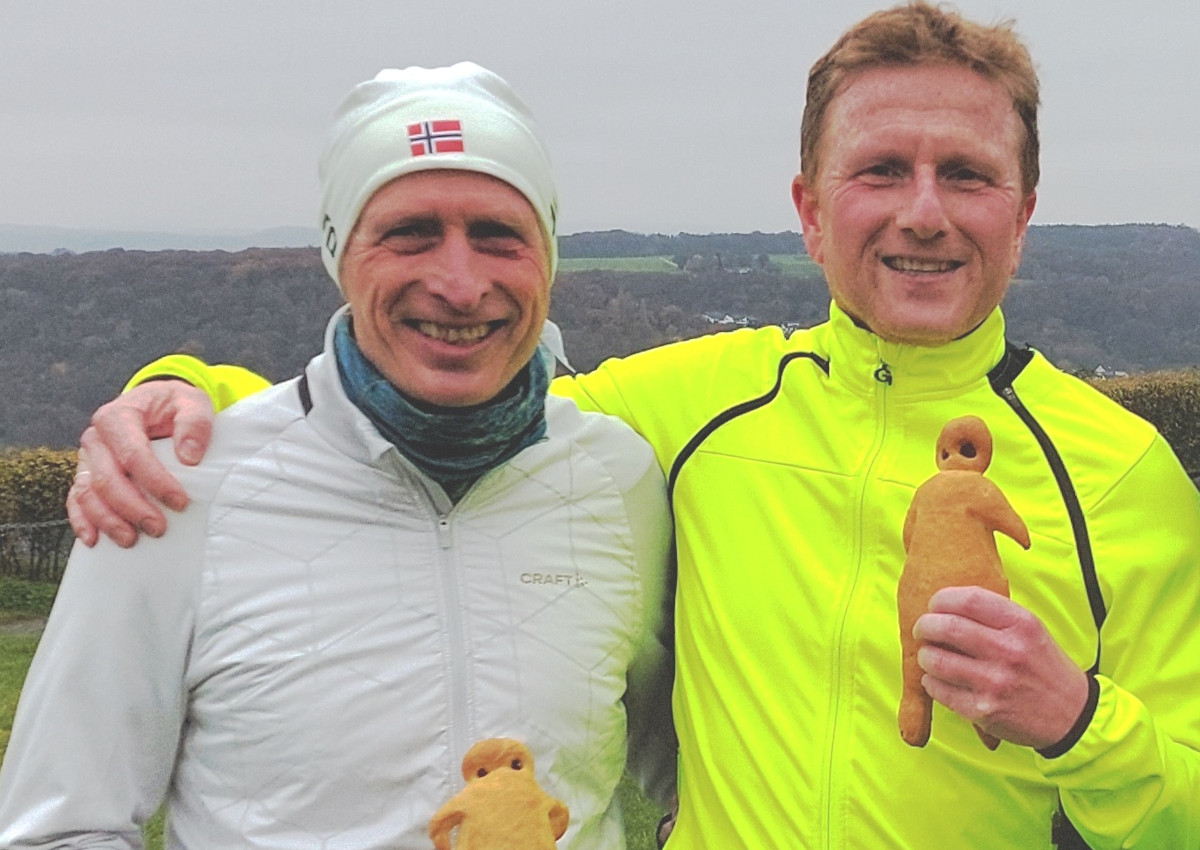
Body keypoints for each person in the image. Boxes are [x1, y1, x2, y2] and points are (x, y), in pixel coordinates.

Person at [59, 3, 1200, 848]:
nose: (923, 212)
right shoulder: (691, 406)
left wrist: (1080, 720)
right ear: (808, 208)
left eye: (968, 174)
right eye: (880, 169)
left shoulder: (1120, 472)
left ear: (1027, 209)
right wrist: (189, 386)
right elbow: (445, 394)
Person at [0, 62, 676, 850]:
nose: (460, 285)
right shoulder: (174, 487)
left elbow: (701, 774)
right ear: (338, 253)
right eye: (409, 233)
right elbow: (60, 825)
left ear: (548, 257)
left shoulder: (619, 479)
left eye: (498, 235)